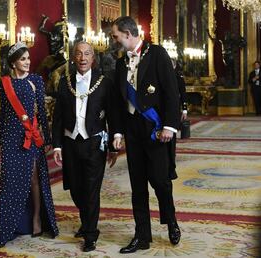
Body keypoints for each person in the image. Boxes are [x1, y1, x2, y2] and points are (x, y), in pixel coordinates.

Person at [110, 16, 181, 253]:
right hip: (132, 130)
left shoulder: (157, 54)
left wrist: (170, 126)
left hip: (155, 130)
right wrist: (118, 131)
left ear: (128, 34)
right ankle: (142, 236)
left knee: (160, 181)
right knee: (137, 185)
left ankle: (171, 220)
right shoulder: (120, 64)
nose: (114, 40)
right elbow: (120, 103)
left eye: (115, 36)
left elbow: (172, 92)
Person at [52, 41, 119, 252]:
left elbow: (113, 114)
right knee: (75, 188)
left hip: (94, 143)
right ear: (74, 57)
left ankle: (90, 233)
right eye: (79, 54)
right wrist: (57, 146)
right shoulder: (65, 82)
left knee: (91, 189)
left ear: (93, 58)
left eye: (87, 54)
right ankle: (87, 219)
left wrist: (115, 141)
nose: (82, 58)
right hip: (71, 142)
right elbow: (58, 117)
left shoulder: (105, 82)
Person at [0, 42, 59, 248]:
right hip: (12, 138)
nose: (28, 62)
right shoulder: (3, 83)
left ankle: (37, 218)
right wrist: (0, 140)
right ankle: (7, 228)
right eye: (23, 59)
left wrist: (47, 139)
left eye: (28, 58)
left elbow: (42, 112)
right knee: (9, 182)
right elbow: (3, 114)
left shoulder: (35, 81)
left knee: (33, 180)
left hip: (30, 138)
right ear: (13, 62)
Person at [168, 58, 188, 179]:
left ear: (174, 66)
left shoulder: (178, 78)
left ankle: (171, 167)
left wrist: (184, 109)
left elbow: (183, 94)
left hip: (174, 111)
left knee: (172, 141)